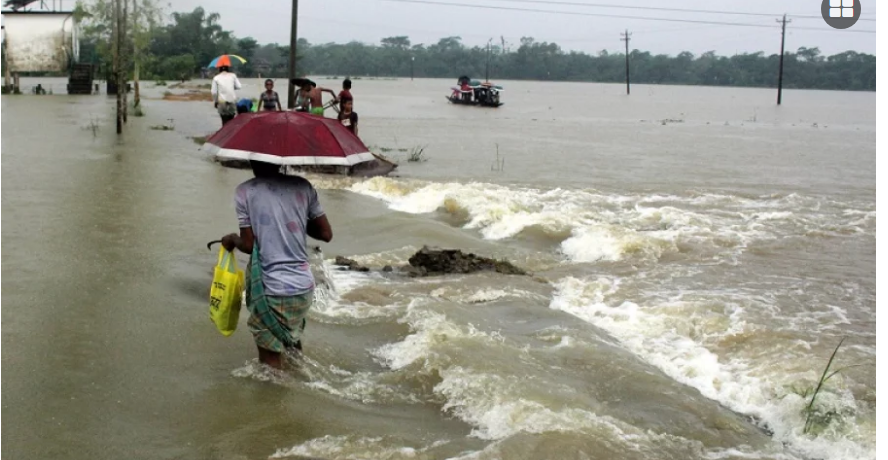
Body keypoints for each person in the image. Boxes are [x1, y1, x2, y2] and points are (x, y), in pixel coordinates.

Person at [221, 160, 333, 370]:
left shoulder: (245, 191)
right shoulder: (303, 186)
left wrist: (232, 240)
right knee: (292, 345)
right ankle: (299, 392)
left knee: (271, 369)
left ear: (252, 159)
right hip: (303, 288)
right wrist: (294, 218)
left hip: (273, 288)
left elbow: (248, 245)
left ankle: (275, 400)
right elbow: (326, 234)